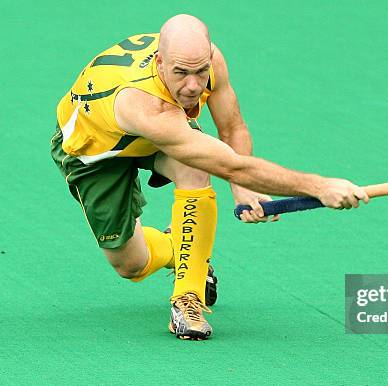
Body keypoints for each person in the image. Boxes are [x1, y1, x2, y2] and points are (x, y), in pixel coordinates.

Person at [51, 14, 368, 341]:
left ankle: (187, 298)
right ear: (160, 63)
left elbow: (232, 129)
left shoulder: (207, 60)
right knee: (130, 265)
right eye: (181, 73)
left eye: (200, 72)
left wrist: (243, 189)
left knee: (196, 165)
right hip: (96, 150)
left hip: (164, 133)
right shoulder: (143, 105)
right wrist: (320, 187)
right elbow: (231, 166)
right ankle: (184, 249)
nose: (193, 85)